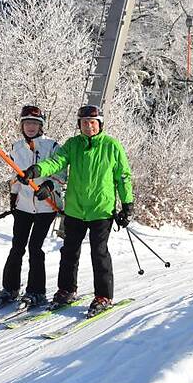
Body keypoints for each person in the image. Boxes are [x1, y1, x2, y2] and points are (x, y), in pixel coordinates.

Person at [18, 104, 133, 317]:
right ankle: (66, 290)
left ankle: (103, 295)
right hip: (75, 209)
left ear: (100, 124)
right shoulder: (72, 145)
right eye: (84, 123)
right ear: (79, 125)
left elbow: (123, 176)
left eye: (92, 123)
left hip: (101, 210)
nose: (88, 127)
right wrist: (36, 170)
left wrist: (127, 205)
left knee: (99, 253)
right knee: (69, 252)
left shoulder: (111, 146)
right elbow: (55, 162)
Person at [0, 105, 65, 309]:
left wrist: (49, 186)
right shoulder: (16, 147)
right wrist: (13, 196)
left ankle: (36, 291)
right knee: (17, 246)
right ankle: (10, 288)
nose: (31, 127)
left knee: (35, 247)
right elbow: (15, 175)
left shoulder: (52, 147)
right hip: (24, 205)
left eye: (35, 123)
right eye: (27, 123)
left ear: (41, 126)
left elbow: (62, 174)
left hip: (46, 206)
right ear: (22, 125)